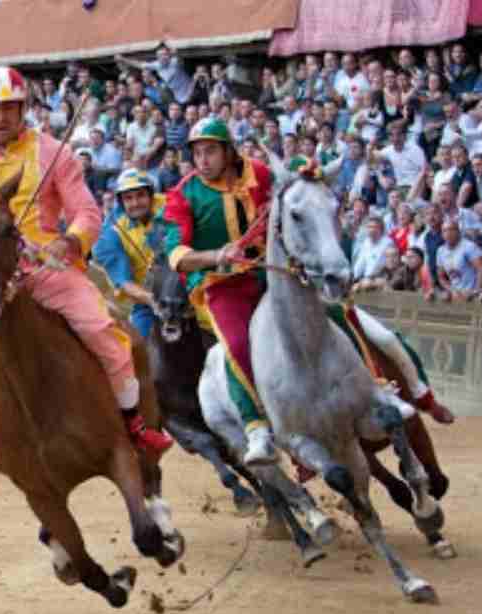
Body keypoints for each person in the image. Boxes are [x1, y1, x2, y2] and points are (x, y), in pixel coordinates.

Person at [0, 66, 173, 505]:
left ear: (23, 108)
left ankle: (133, 422)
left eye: (10, 107)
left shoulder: (54, 153)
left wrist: (72, 239)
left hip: (47, 267)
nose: (2, 117)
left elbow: (87, 212)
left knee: (105, 330)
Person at [167, 120, 453, 469]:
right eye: (197, 152)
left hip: (274, 273)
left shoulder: (256, 172)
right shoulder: (183, 194)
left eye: (210, 150)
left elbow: (295, 180)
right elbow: (176, 255)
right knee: (238, 345)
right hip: (224, 287)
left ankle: (377, 386)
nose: (203, 159)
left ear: (227, 151)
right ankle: (257, 429)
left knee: (336, 312)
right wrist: (215, 255)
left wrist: (306, 167)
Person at [92, 168, 178, 339]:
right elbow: (125, 283)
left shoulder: (172, 205)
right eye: (128, 198)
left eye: (140, 195)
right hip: (146, 300)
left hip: (186, 287)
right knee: (138, 350)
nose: (135, 203)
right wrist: (153, 301)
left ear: (151, 195)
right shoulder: (109, 234)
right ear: (121, 201)